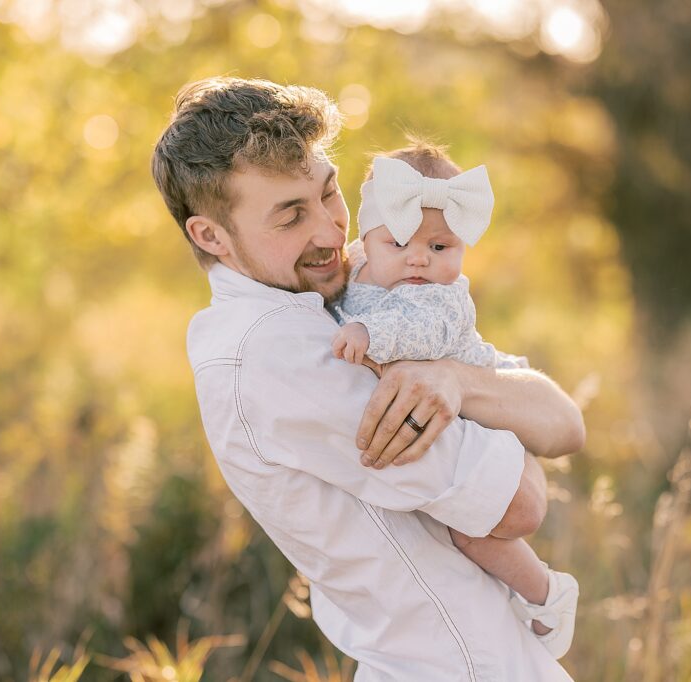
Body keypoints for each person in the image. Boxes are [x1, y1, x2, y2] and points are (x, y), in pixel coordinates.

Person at [151, 76, 586, 681]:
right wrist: (490, 400)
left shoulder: (342, 290)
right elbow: (519, 502)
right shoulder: (276, 353)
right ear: (210, 236)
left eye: (329, 194)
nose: (332, 234)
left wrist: (456, 380)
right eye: (290, 216)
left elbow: (564, 424)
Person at [332, 142, 579, 657]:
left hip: (481, 395)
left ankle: (546, 594)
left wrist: (366, 333)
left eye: (441, 248)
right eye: (399, 243)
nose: (419, 258)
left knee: (470, 532)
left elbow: (422, 331)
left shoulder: (439, 295)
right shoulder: (355, 265)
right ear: (365, 238)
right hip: (449, 402)